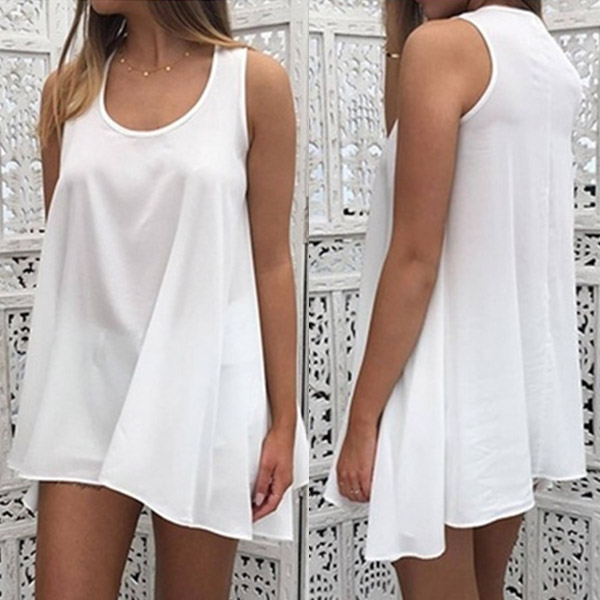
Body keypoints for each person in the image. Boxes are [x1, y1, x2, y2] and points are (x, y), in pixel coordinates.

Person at [6, 1, 309, 598]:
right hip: (85, 391)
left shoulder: (252, 84)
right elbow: (71, 260)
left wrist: (284, 421)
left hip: (204, 391)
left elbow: (272, 262)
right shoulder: (68, 94)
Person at [322, 1, 586, 599]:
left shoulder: (444, 49)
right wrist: (401, 36)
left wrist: (362, 420)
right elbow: (403, 151)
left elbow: (414, 257)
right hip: (511, 397)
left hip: (439, 387)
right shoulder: (544, 54)